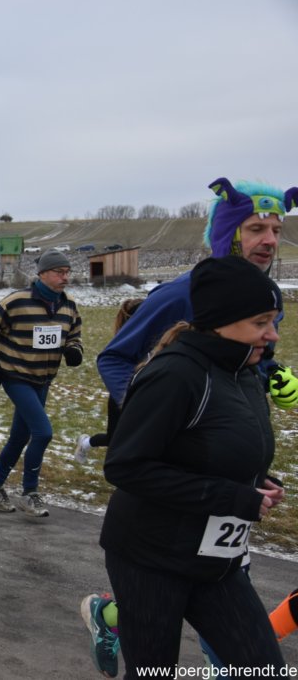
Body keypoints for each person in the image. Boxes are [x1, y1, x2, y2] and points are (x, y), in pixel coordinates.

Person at [98, 256, 286, 676]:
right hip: (150, 558)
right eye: (260, 322)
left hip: (217, 562)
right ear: (221, 321)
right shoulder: (175, 374)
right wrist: (232, 495)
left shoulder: (244, 372)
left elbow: (214, 448)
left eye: (273, 321)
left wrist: (257, 480)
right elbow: (126, 466)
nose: (272, 334)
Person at [98, 177, 298, 410]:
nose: (271, 241)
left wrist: (272, 373)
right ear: (227, 234)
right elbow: (114, 359)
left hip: (243, 422)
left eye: (276, 231)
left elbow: (249, 359)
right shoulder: (182, 294)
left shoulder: (270, 296)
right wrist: (147, 411)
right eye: (256, 229)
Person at [0, 249, 83, 518]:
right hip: (16, 376)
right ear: (43, 274)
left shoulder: (69, 304)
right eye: (59, 272)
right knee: (43, 432)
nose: (65, 277)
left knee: (20, 436)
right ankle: (30, 492)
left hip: (43, 379)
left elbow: (74, 334)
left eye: (67, 272)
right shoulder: (16, 301)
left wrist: (74, 349)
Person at [73, 298, 142, 463]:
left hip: (143, 392)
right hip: (122, 394)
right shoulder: (127, 342)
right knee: (114, 439)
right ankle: (85, 443)